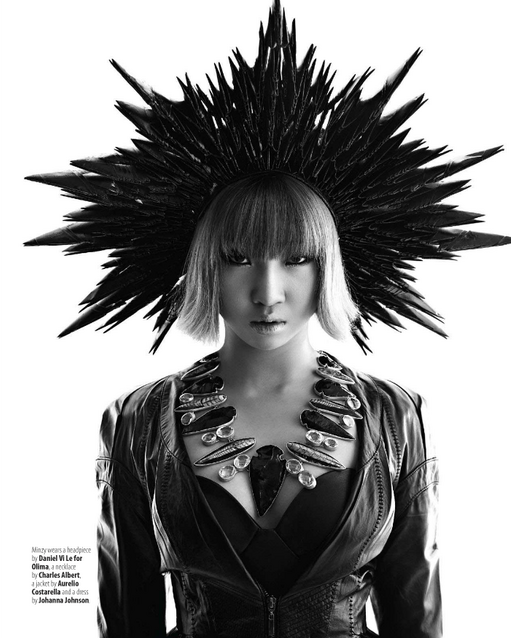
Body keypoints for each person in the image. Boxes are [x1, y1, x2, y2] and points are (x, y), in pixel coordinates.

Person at [24, 2, 509, 636]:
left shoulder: (396, 417)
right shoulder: (138, 421)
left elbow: (417, 617)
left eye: (298, 259)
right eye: (237, 258)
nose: (268, 291)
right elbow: (126, 618)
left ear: (329, 268)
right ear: (205, 267)